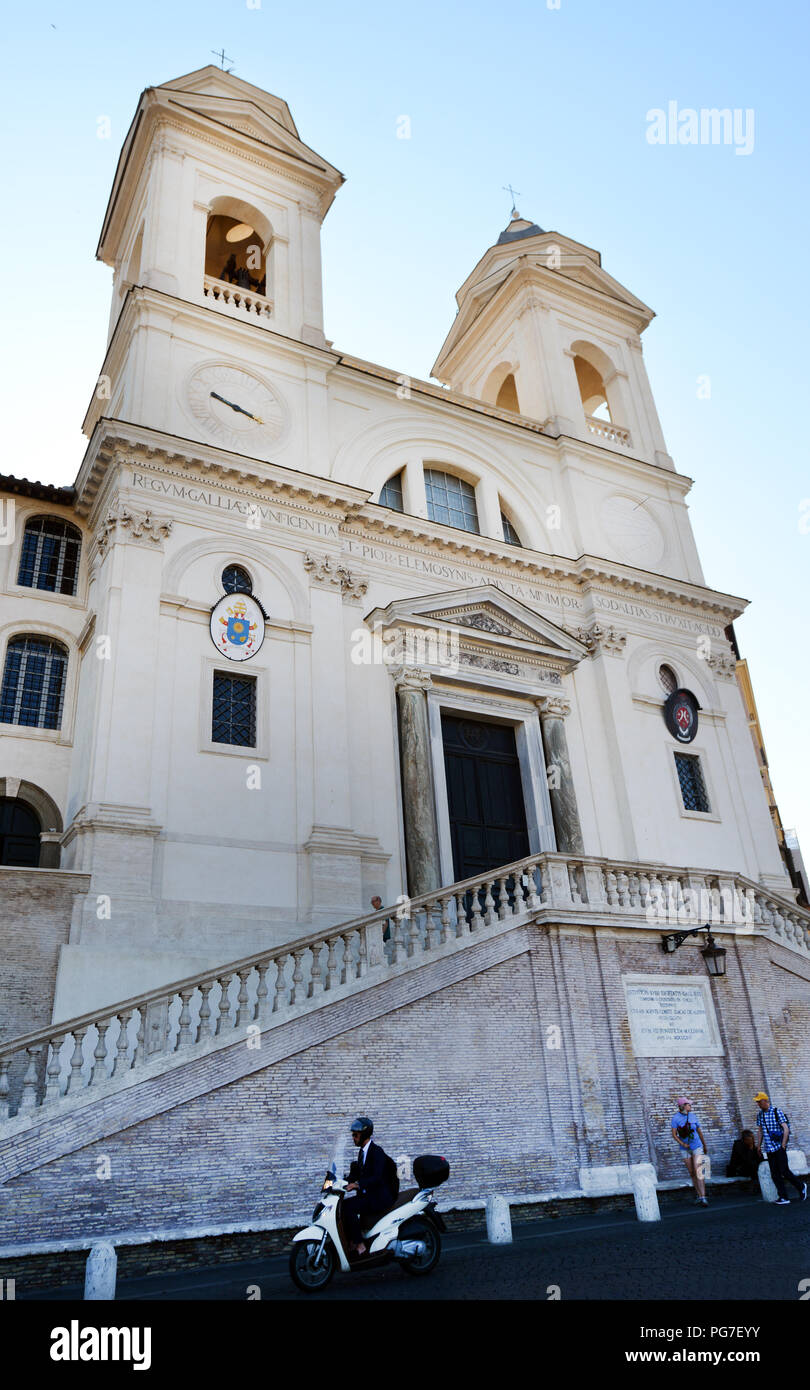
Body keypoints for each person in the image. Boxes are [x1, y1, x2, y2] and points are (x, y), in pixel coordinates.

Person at [342, 1116, 397, 1256]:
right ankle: (352, 1240)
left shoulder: (376, 1152)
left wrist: (357, 1185)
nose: (353, 1138)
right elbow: (357, 1174)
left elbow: (377, 1177)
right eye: (353, 1135)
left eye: (356, 1135)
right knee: (342, 1206)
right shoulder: (362, 1152)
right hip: (369, 1195)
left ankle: (360, 1245)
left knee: (349, 1208)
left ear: (364, 1134)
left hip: (379, 1197)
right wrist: (340, 1181)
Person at [753, 1091, 807, 1205]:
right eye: (757, 1102)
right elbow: (760, 1131)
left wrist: (783, 1145)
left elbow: (785, 1128)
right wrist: (759, 1145)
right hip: (769, 1149)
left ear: (765, 1101)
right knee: (775, 1174)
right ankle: (783, 1197)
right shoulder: (760, 1115)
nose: (758, 1104)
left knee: (784, 1171)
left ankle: (801, 1186)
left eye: (759, 1101)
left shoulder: (777, 1112)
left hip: (779, 1146)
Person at [671, 1096, 709, 1204]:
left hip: (697, 1145)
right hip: (685, 1148)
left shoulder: (693, 1116)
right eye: (689, 1104)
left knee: (698, 1170)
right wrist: (682, 1143)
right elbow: (674, 1135)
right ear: (683, 1106)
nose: (690, 1106)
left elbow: (699, 1131)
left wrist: (704, 1145)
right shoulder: (676, 1118)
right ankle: (699, 1195)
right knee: (692, 1172)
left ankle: (703, 1197)